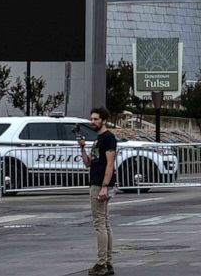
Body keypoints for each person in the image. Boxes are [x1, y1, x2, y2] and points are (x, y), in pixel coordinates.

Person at [79, 107, 117, 276]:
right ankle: (107, 262)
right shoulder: (97, 139)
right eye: (91, 119)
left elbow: (110, 164)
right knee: (104, 222)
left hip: (100, 184)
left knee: (99, 223)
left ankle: (102, 263)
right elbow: (89, 163)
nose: (92, 122)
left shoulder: (108, 138)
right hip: (96, 181)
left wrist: (104, 186)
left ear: (104, 120)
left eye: (95, 119)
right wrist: (82, 148)